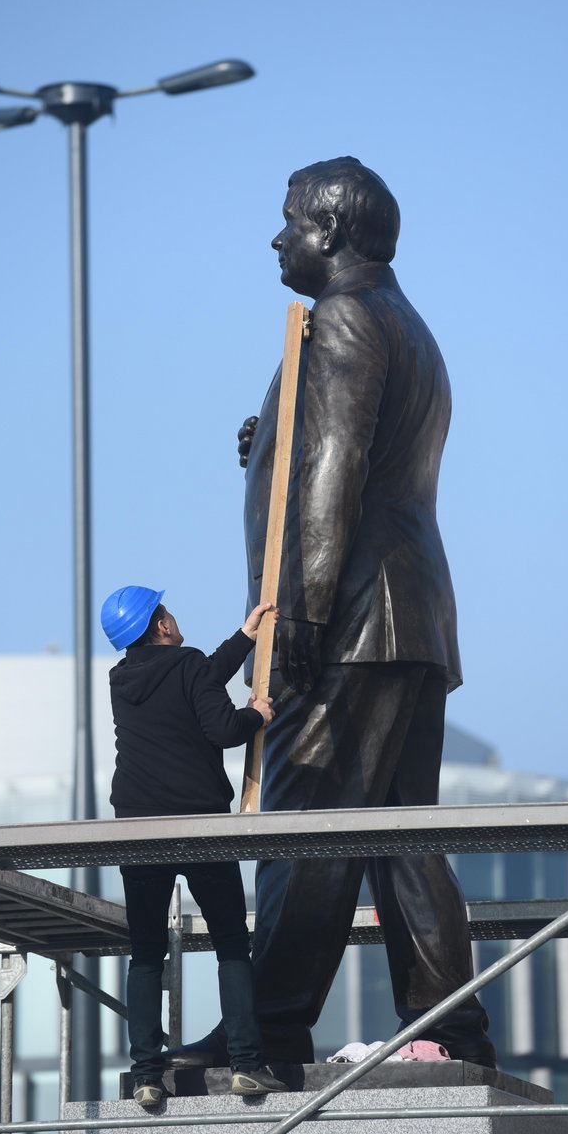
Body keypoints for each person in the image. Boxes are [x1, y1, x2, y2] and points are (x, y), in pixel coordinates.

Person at [167, 157, 494, 1070]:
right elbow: (341, 448)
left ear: (333, 232)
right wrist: (269, 432)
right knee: (403, 834)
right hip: (413, 617)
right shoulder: (409, 327)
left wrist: (299, 618)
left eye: (289, 221)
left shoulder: (343, 318)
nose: (277, 238)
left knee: (305, 819)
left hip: (350, 620)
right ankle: (452, 1026)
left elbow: (336, 468)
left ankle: (264, 1030)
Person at [101, 584, 289, 1106]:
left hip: (137, 826)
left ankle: (146, 1075)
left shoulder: (121, 678)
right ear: (161, 624)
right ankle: (247, 1065)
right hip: (197, 821)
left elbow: (197, 678)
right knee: (231, 942)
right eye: (169, 612)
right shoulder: (187, 666)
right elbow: (222, 726)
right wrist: (257, 714)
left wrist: (245, 637)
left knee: (145, 952)